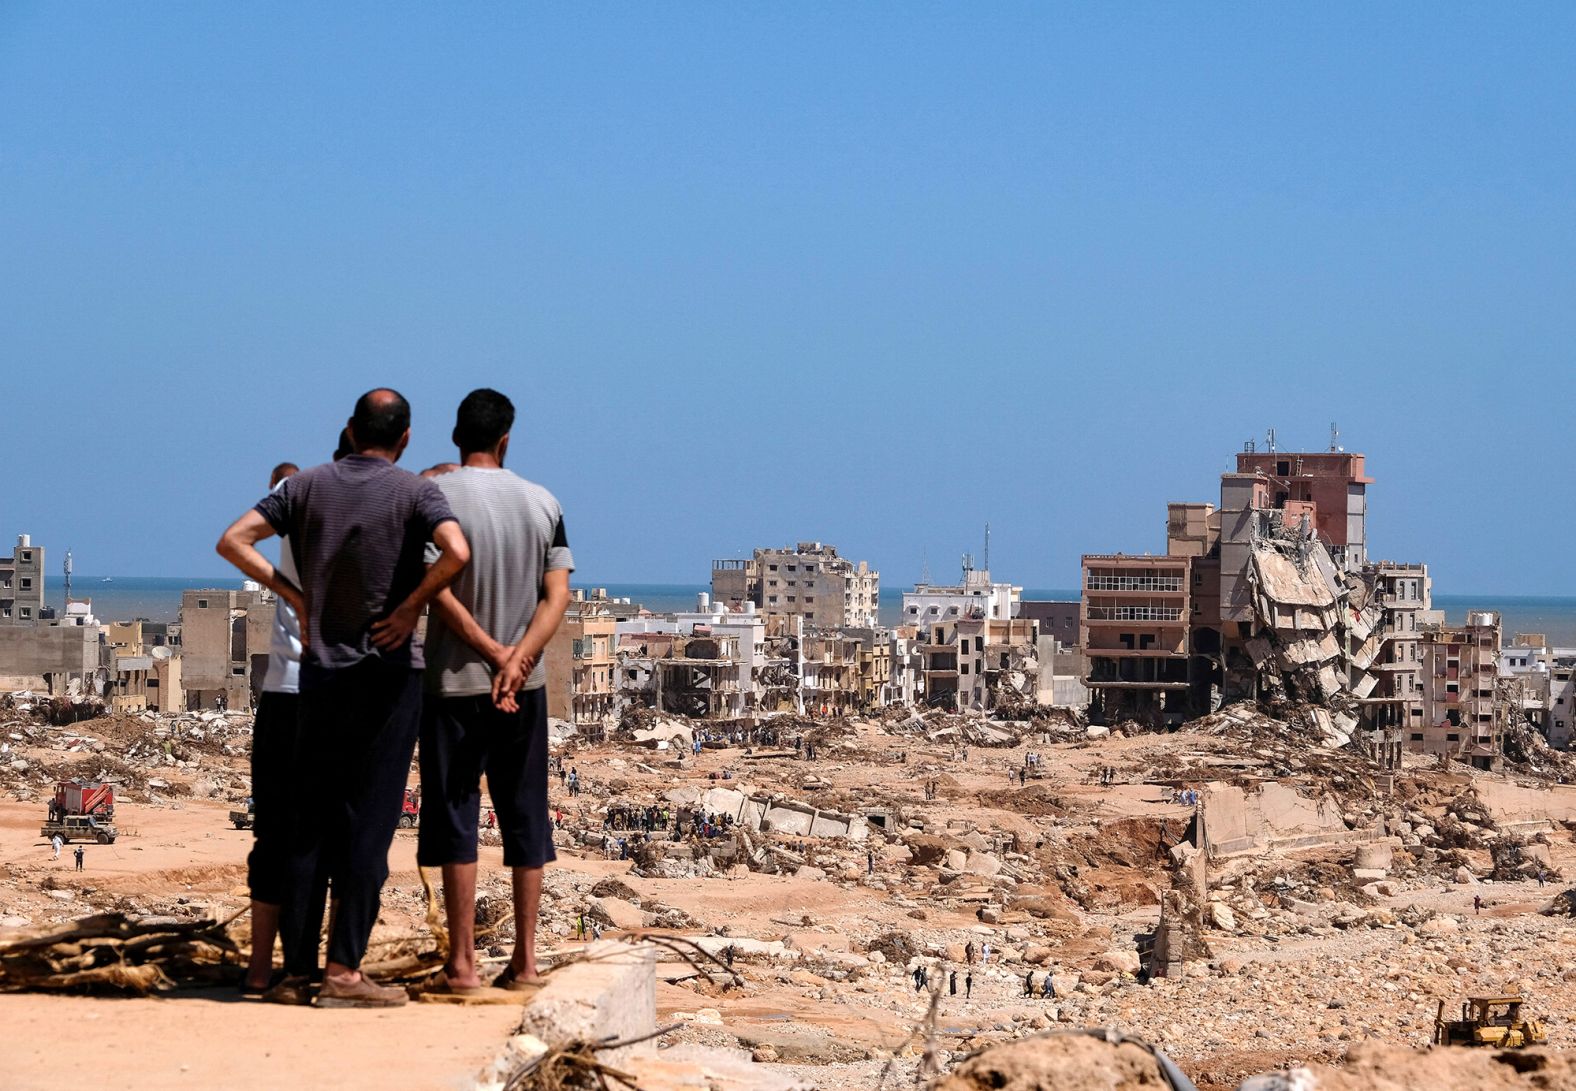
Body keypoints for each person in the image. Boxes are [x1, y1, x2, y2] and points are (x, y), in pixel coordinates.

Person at [218, 388, 470, 1008]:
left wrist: (297, 597)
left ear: (353, 429)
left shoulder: (306, 487)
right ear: (405, 437)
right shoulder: (415, 492)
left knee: (308, 824)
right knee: (368, 826)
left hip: (321, 676)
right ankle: (344, 972)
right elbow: (458, 553)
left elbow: (233, 541)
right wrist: (410, 606)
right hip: (389, 678)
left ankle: (297, 970)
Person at [413, 392, 574, 992]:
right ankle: (526, 963)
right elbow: (555, 595)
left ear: (457, 436)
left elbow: (436, 588)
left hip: (454, 683)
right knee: (526, 814)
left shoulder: (437, 498)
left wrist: (489, 652)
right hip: (523, 687)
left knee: (455, 814)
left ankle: (461, 964)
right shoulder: (543, 502)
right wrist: (519, 658)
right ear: (506, 439)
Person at [242, 459, 304, 998]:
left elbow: (236, 540)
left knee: (273, 838)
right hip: (331, 693)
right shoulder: (356, 504)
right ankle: (311, 967)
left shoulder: (292, 499)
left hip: (284, 696)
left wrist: (291, 592)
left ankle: (262, 969)